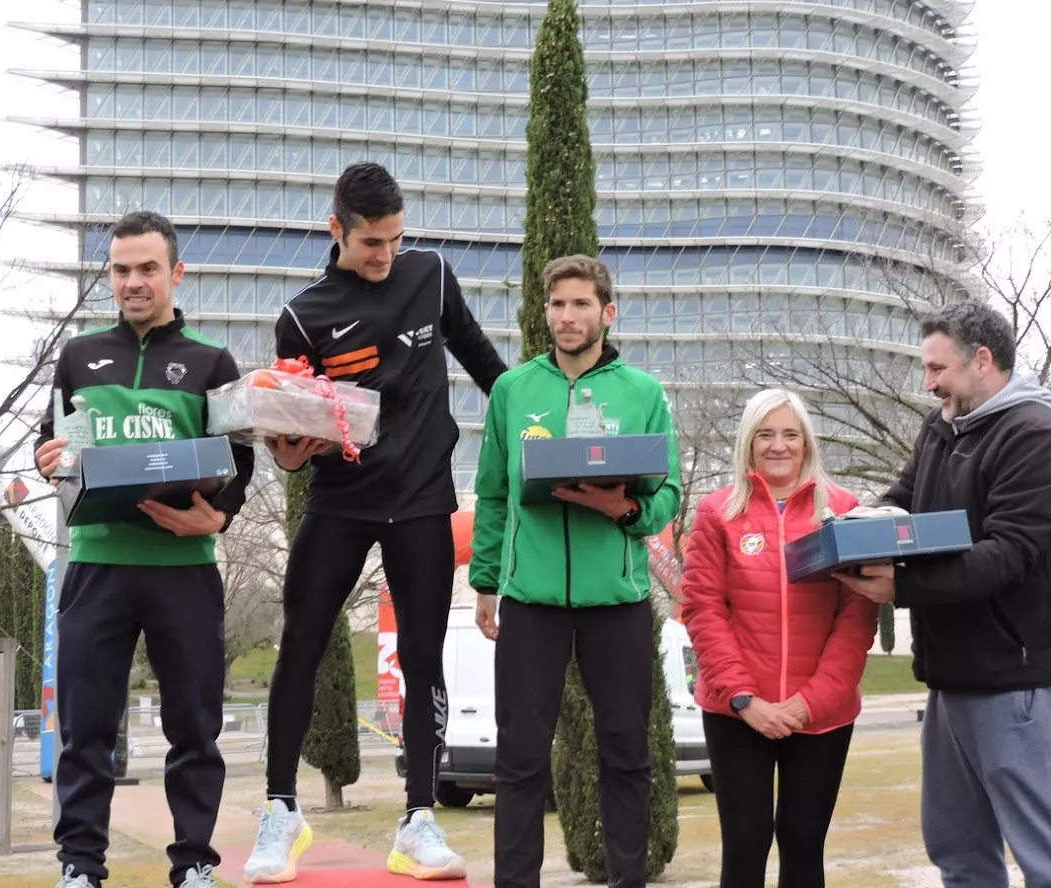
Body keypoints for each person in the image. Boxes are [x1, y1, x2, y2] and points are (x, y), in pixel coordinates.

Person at [243, 162, 507, 884]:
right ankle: (280, 812)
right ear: (337, 230)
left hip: (422, 500)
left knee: (423, 661)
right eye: (370, 243)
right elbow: (291, 441)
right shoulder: (303, 315)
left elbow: (487, 365)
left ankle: (418, 821)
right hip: (340, 500)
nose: (385, 255)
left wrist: (536, 421)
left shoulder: (432, 276)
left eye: (394, 239)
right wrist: (287, 450)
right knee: (299, 644)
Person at [33, 210, 255, 888]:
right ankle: (80, 866)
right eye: (121, 269)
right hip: (95, 564)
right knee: (87, 728)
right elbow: (54, 446)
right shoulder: (75, 357)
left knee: (195, 728)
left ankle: (193, 865)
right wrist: (46, 460)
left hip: (182, 571)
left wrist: (214, 521)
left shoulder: (213, 363)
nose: (133, 281)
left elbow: (239, 464)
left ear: (175, 273)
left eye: (147, 269)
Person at [467, 254, 682, 888]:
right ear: (545, 312)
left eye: (581, 304)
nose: (567, 316)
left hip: (616, 601)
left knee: (625, 753)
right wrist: (485, 583)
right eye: (557, 304)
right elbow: (494, 493)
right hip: (531, 600)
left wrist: (627, 508)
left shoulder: (642, 393)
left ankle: (627, 880)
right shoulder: (513, 390)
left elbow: (666, 496)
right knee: (520, 759)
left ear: (606, 313)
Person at [835, 301, 1051, 887]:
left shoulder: (1034, 435)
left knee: (1042, 853)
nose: (928, 384)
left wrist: (901, 585)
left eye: (938, 369)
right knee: (957, 851)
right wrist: (849, 531)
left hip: (1015, 684)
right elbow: (901, 496)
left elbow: (1007, 555)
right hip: (949, 680)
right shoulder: (943, 426)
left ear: (983, 360)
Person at [679, 388, 878, 888]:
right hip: (737, 711)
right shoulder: (717, 512)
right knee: (745, 843)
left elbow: (856, 617)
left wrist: (810, 703)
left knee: (804, 840)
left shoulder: (844, 511)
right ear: (748, 442)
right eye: (765, 434)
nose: (778, 445)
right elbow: (703, 609)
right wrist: (745, 698)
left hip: (821, 713)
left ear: (807, 442)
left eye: (791, 434)